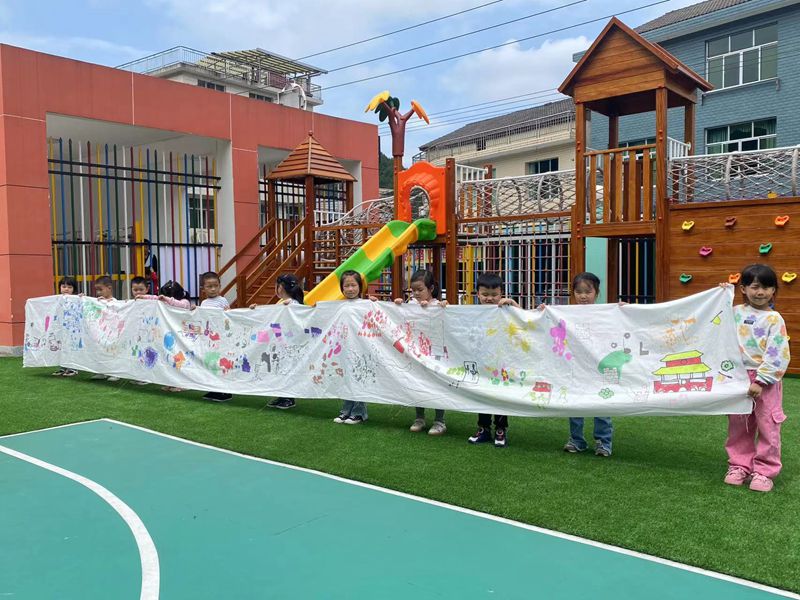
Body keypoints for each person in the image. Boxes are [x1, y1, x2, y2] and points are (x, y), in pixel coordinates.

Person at [724, 264, 790, 493]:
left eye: (766, 287)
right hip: (738, 377)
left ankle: (764, 471)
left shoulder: (774, 319)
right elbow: (712, 320)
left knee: (768, 425)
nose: (760, 292)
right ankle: (739, 466)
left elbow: (778, 352)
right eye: (754, 287)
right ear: (743, 288)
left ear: (773, 291)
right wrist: (722, 295)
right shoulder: (734, 312)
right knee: (739, 424)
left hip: (765, 380)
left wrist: (761, 380)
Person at [560, 272, 614, 457]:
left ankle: (603, 442)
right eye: (578, 292)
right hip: (576, 367)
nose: (583, 296)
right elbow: (547, 320)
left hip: (599, 368)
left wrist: (624, 311)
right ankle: (577, 440)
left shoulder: (606, 314)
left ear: (597, 293)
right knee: (575, 404)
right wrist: (544, 311)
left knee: (602, 404)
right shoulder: (567, 314)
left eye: (588, 292)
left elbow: (622, 322)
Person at [467, 272, 519, 448]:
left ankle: (501, 429)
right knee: (483, 394)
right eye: (485, 294)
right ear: (477, 294)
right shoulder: (473, 312)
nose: (489, 298)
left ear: (501, 293)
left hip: (502, 363)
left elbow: (524, 319)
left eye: (494, 294)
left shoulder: (506, 309)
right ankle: (483, 429)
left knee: (500, 395)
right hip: (482, 363)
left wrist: (512, 304)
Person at [395, 270, 448, 436]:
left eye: (420, 289)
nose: (416, 293)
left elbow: (445, 316)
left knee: (437, 385)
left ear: (431, 288)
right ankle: (419, 418)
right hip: (417, 354)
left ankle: (439, 421)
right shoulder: (411, 305)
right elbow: (400, 315)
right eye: (413, 290)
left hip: (434, 354)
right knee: (417, 384)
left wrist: (442, 306)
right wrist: (398, 304)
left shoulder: (437, 305)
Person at [251, 274, 305, 409]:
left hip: (290, 344)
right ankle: (282, 395)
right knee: (280, 369)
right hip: (281, 343)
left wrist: (289, 304)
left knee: (287, 369)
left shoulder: (293, 304)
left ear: (281, 287)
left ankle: (289, 397)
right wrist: (256, 310)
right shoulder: (282, 303)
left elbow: (296, 315)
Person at [333, 270, 369, 425]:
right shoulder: (338, 306)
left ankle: (359, 413)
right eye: (346, 286)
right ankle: (346, 410)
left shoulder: (366, 305)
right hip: (345, 350)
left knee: (359, 379)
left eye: (353, 285)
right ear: (342, 288)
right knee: (347, 380)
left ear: (360, 286)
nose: (350, 289)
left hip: (361, 350)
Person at [199, 271, 233, 402]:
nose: (213, 289)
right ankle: (214, 388)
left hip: (221, 339)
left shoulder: (222, 301)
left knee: (221, 363)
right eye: (209, 286)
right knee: (211, 362)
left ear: (219, 286)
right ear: (203, 288)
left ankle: (225, 391)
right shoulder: (204, 303)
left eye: (215, 286)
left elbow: (229, 317)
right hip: (209, 340)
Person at [90, 275, 120, 382]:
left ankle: (115, 372)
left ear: (109, 288)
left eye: (100, 289)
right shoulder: (98, 301)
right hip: (101, 332)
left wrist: (105, 303)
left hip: (112, 332)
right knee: (101, 351)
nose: (98, 292)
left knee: (112, 352)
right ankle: (102, 371)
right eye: (97, 290)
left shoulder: (115, 302)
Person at [52, 276, 80, 377]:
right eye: (64, 286)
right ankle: (63, 367)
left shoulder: (77, 299)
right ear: (59, 288)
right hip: (61, 329)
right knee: (61, 347)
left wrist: (81, 298)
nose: (66, 289)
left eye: (69, 287)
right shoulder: (57, 299)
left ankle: (73, 368)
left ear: (74, 289)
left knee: (72, 347)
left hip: (73, 330)